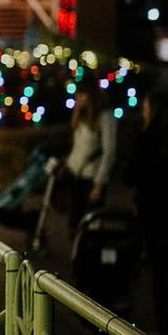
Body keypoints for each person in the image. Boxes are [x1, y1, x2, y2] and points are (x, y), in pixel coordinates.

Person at [129, 88, 168, 335]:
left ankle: (164, 327)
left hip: (154, 214)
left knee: (161, 271)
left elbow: (129, 174)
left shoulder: (147, 138)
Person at [60, 79, 117, 233]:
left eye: (81, 95)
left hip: (92, 177)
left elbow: (109, 152)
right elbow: (78, 146)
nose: (78, 99)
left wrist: (99, 184)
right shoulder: (81, 115)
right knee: (75, 222)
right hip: (76, 174)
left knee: (92, 224)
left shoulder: (105, 117)